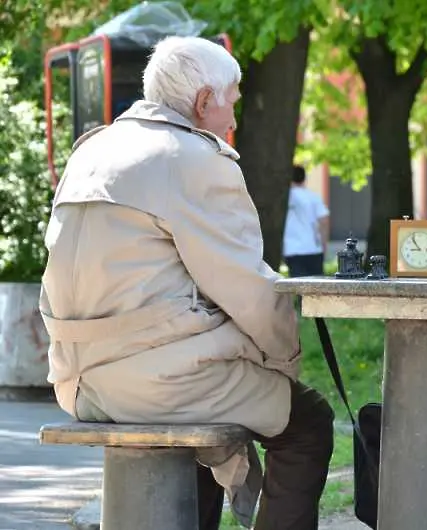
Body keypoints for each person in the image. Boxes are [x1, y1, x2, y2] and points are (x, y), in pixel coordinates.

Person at [39, 36, 333, 530]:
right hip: (157, 383)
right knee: (309, 421)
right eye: (231, 105)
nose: (234, 122)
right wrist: (283, 363)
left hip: (78, 381)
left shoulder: (90, 151)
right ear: (203, 102)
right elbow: (248, 290)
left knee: (202, 424)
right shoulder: (195, 159)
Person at [283, 165, 329, 277]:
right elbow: (324, 221)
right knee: (316, 289)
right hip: (313, 248)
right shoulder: (313, 197)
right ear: (304, 178)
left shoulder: (284, 198)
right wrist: (324, 244)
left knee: (298, 288)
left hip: (292, 249)